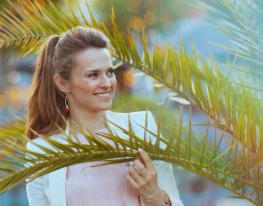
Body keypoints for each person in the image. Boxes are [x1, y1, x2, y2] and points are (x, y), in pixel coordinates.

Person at [25, 26, 184, 206]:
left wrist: (153, 194)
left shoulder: (141, 126)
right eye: (93, 75)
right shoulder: (41, 151)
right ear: (62, 83)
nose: (107, 83)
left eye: (109, 72)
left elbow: (175, 201)